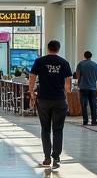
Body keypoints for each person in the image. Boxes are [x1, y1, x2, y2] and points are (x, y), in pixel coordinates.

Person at [27, 39, 72, 169]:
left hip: (43, 99)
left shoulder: (40, 61)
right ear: (58, 49)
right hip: (59, 100)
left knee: (45, 129)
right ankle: (56, 157)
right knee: (58, 129)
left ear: (48, 48)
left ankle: (47, 157)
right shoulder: (64, 63)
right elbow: (68, 85)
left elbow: (32, 77)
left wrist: (31, 93)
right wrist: (67, 97)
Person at [74, 50, 97, 126]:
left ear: (84, 56)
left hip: (83, 87)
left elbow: (78, 75)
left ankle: (85, 121)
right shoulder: (95, 65)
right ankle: (94, 121)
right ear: (91, 56)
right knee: (93, 105)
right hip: (93, 88)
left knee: (84, 105)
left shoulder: (80, 64)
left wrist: (79, 83)